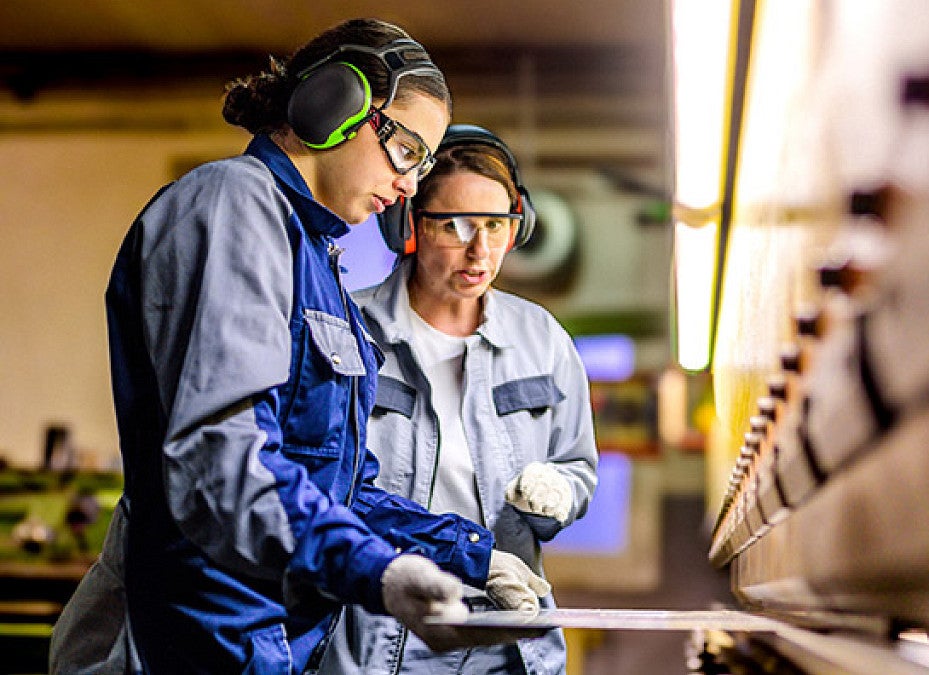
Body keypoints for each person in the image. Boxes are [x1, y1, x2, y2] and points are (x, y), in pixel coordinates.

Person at [48, 18, 550, 675]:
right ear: (335, 104)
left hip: (254, 643)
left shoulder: (320, 264)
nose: (408, 185)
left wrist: (470, 553)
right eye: (405, 151)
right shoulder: (232, 207)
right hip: (186, 639)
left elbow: (339, 490)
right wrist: (378, 570)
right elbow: (221, 460)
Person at [319, 125, 599, 674]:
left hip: (510, 634)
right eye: (455, 225)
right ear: (408, 225)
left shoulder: (542, 339)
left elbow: (578, 466)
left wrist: (560, 491)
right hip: (381, 633)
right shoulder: (348, 331)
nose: (480, 249)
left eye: (496, 225)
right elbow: (328, 488)